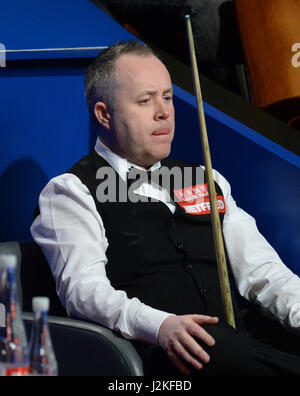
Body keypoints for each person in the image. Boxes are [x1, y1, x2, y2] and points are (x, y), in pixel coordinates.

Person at [31, 41, 300, 376]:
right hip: (163, 357)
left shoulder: (206, 178)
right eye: (145, 100)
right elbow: (83, 292)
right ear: (103, 114)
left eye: (168, 97)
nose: (164, 112)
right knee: (215, 350)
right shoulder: (71, 191)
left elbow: (263, 273)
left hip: (236, 343)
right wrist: (160, 326)